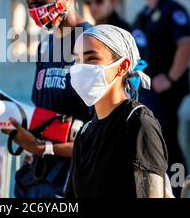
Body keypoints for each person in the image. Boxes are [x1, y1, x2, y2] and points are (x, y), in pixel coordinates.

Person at [5, 0, 93, 198]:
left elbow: (103, 140)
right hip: (40, 183)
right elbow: (43, 115)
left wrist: (41, 148)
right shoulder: (46, 46)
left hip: (77, 185)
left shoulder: (93, 45)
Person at [66, 24, 173, 198]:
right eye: (76, 60)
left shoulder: (138, 123)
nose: (80, 68)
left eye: (91, 58)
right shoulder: (85, 133)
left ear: (122, 66)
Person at [132, 0, 190, 197]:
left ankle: (179, 191)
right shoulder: (144, 15)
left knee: (167, 142)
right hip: (148, 92)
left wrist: (170, 77)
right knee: (152, 142)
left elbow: (188, 44)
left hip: (165, 93)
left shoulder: (173, 10)